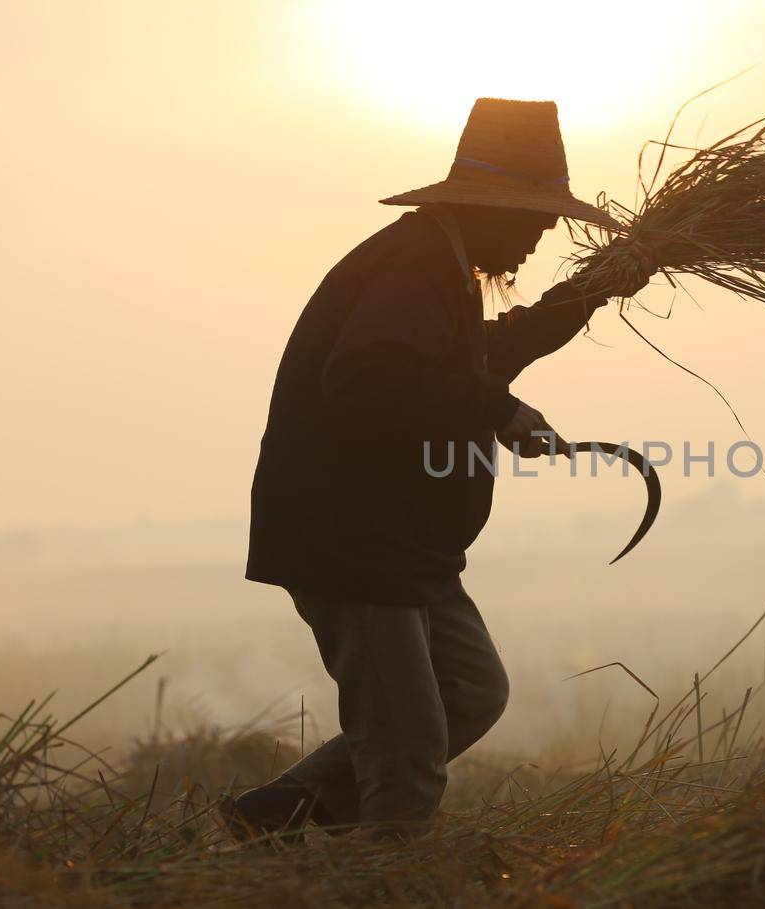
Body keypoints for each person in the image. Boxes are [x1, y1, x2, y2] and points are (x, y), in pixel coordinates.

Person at [225, 98, 653, 840]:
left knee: (472, 690)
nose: (546, 229)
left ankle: (271, 818)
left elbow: (476, 355)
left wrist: (592, 289)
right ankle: (384, 884)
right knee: (408, 756)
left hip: (404, 545)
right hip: (357, 543)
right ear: (484, 207)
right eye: (534, 214)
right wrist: (497, 411)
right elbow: (365, 376)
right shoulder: (413, 265)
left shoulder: (441, 268)